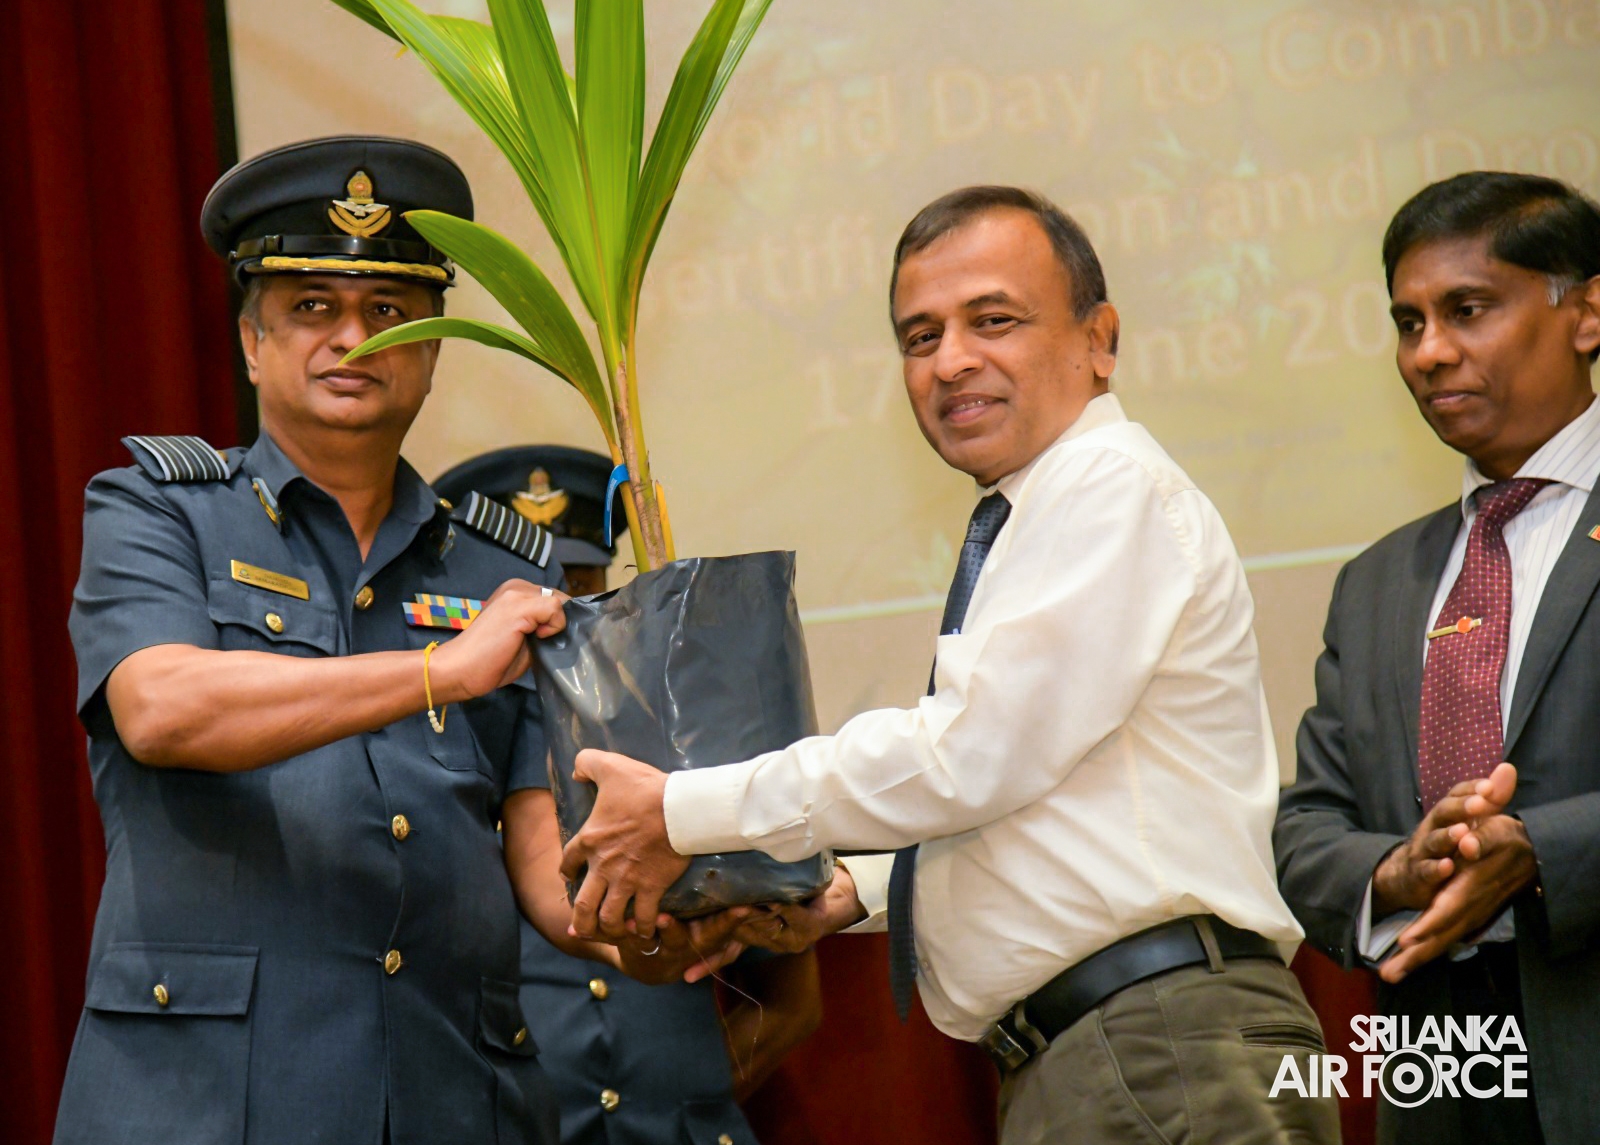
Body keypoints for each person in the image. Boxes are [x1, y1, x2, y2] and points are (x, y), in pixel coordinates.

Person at [557, 186, 1341, 1144]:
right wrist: (851, 892)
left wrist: (683, 809)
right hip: (1112, 1053)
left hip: (1157, 1047)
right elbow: (1037, 801)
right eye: (920, 336)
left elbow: (969, 755)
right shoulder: (1036, 509)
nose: (951, 359)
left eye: (993, 320)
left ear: (1101, 339)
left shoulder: (1107, 486)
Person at [55, 135, 732, 1145]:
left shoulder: (504, 573)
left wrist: (651, 930)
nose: (351, 339)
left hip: (447, 1096)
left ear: (432, 351)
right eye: (311, 306)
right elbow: (161, 708)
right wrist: (438, 670)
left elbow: (543, 863)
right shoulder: (157, 511)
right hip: (205, 1100)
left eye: (388, 311)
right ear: (251, 342)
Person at [1275, 171, 1600, 1144]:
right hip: (1443, 1079)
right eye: (1407, 322)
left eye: (1467, 309)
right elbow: (1307, 828)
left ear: (1588, 313)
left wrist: (1543, 850)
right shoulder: (1377, 582)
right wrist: (1395, 870)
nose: (1429, 352)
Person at [433, 446, 823, 1145]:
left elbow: (793, 999)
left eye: (581, 595)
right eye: (532, 607)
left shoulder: (687, 753)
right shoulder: (442, 769)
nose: (559, 632)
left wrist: (685, 1106)